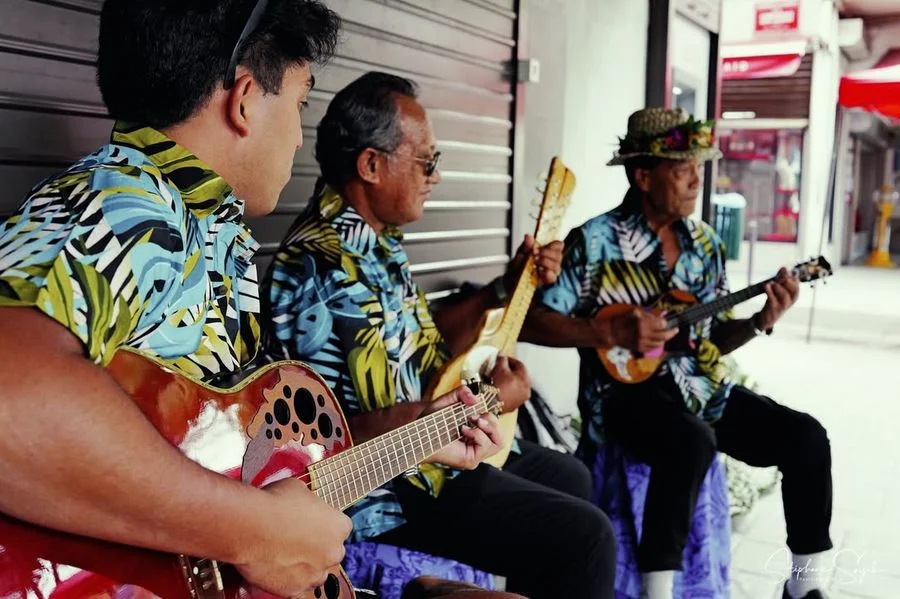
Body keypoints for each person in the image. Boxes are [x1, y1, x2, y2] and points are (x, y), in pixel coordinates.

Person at [0, 3, 503, 598]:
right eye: (300, 105)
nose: (299, 137)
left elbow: (238, 465)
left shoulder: (210, 227)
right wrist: (252, 530)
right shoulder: (127, 209)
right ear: (244, 101)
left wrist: (415, 437)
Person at [260, 71, 617, 599]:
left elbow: (425, 351)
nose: (437, 176)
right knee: (586, 538)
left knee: (572, 478)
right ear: (371, 165)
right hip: (386, 489)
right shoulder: (319, 267)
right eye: (427, 161)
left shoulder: (376, 242)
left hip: (426, 450)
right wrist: (489, 401)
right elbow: (338, 435)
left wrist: (504, 287)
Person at [521, 107, 833, 599]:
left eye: (698, 168)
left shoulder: (705, 245)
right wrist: (607, 332)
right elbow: (533, 322)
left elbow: (710, 341)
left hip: (697, 389)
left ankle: (804, 587)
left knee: (806, 437)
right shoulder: (593, 242)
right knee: (689, 440)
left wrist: (759, 321)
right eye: (682, 168)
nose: (696, 181)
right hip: (620, 398)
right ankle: (658, 589)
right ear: (643, 176)